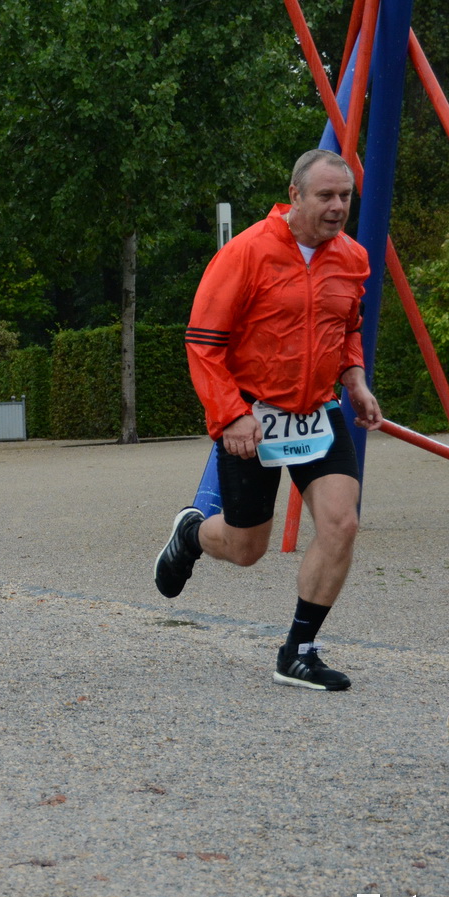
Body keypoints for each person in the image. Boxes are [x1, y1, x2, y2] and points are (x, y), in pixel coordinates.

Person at [153, 149, 383, 692]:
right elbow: (203, 344)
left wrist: (354, 379)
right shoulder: (247, 253)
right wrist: (230, 415)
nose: (337, 207)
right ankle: (191, 533)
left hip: (318, 413)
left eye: (345, 197)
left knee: (342, 523)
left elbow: (346, 328)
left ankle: (298, 651)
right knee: (246, 547)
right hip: (252, 416)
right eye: (325, 195)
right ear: (296, 194)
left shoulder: (352, 257)